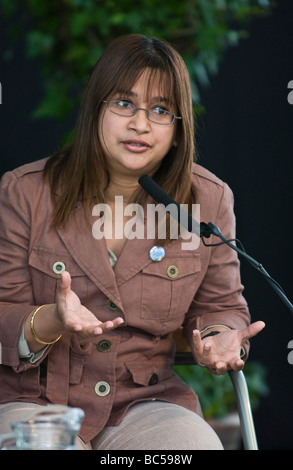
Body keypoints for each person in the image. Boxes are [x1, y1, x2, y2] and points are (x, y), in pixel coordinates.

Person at [0, 34, 265, 450]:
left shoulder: (208, 200)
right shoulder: (24, 192)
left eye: (160, 110)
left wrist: (219, 336)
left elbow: (220, 307)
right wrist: (52, 317)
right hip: (34, 401)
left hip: (145, 403)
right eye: (124, 104)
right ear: (96, 111)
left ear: (178, 130)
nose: (140, 124)